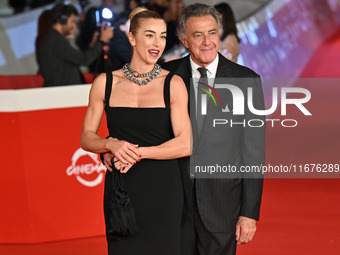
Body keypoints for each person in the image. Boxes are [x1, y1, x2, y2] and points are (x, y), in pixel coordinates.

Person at [104, 3, 265, 255]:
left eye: (212, 33)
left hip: (222, 206)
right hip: (172, 205)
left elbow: (253, 153)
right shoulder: (165, 75)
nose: (207, 42)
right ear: (183, 39)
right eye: (197, 35)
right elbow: (142, 122)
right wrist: (109, 144)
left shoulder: (246, 81)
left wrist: (248, 213)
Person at [80, 7, 191, 255]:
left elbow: (185, 144)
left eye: (163, 36)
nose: (158, 43)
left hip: (164, 188)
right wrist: (110, 144)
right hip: (123, 190)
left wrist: (138, 152)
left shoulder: (172, 84)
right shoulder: (105, 83)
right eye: (150, 35)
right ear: (132, 38)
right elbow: (86, 137)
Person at [38, 3, 113, 87]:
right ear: (62, 20)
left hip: (63, 91)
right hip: (63, 92)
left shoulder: (53, 39)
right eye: (72, 22)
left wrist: (93, 44)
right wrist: (101, 41)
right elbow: (84, 59)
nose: (74, 26)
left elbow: (77, 58)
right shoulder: (55, 40)